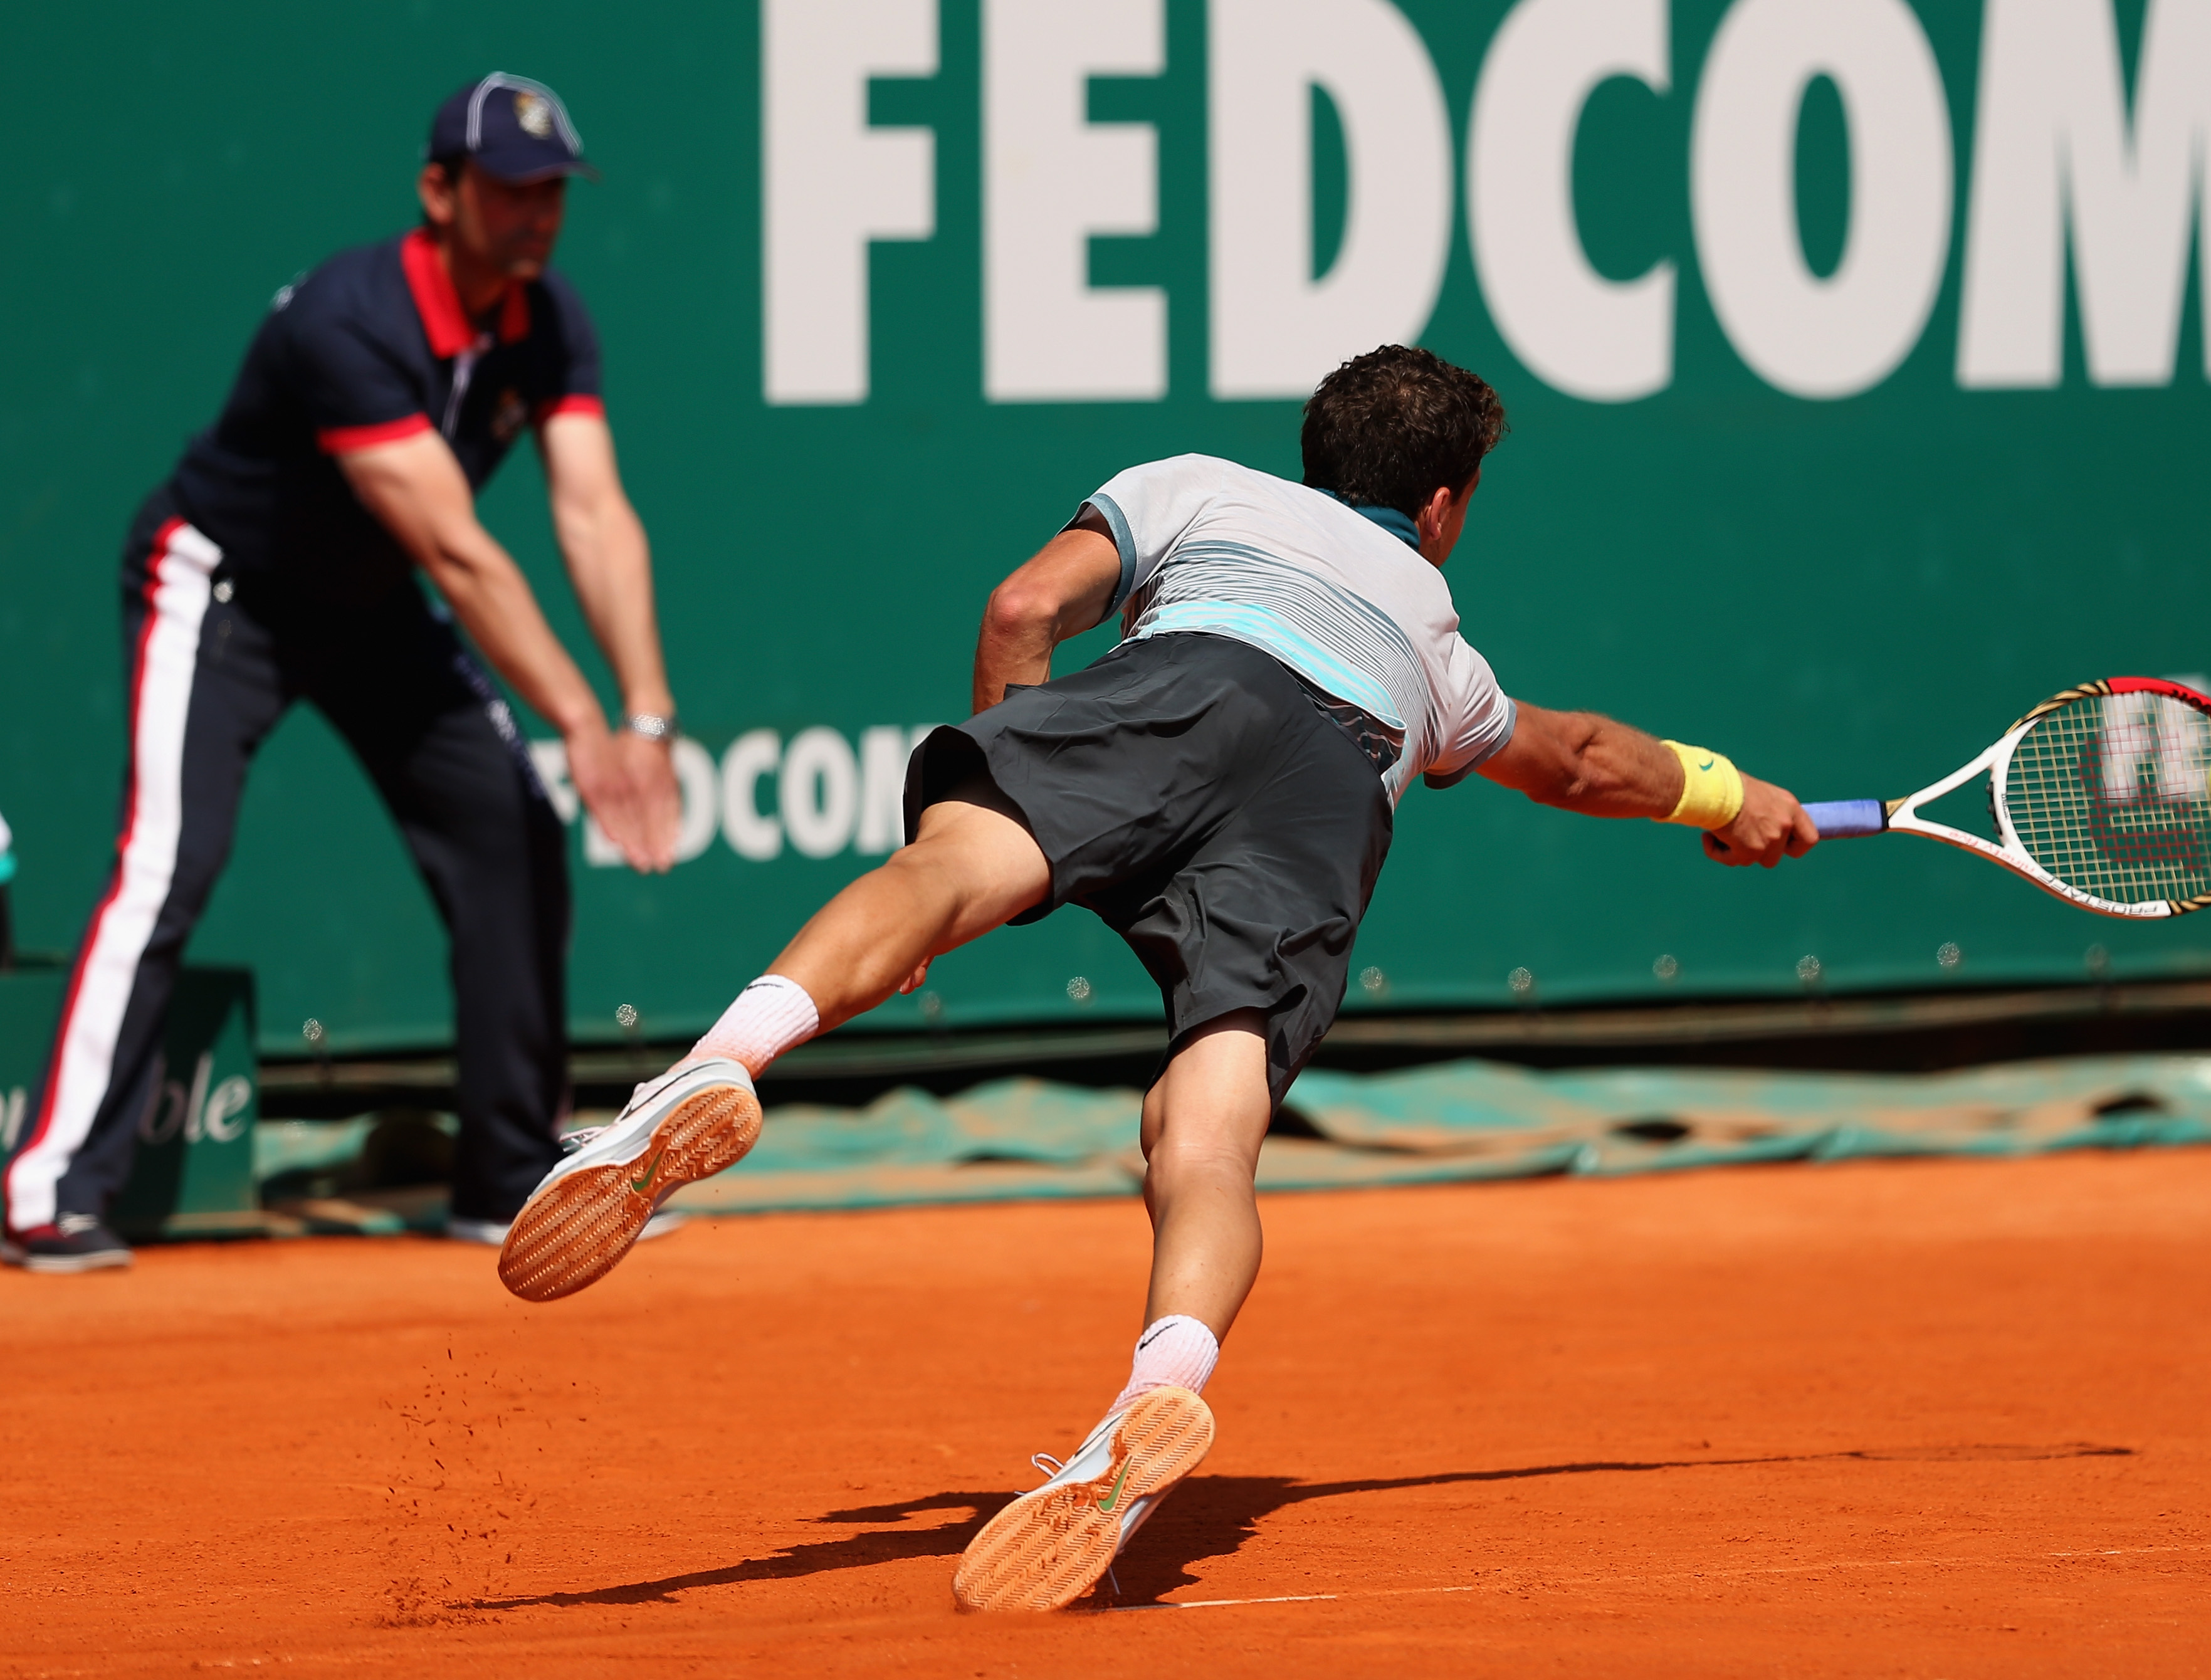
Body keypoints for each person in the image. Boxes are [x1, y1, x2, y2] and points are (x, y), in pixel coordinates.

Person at [493, 346, 1820, 1608]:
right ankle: (1150, 1396)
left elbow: (1021, 606)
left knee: (942, 875)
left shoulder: (1197, 487)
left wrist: (964, 862)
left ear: (1314, 456)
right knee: (1206, 1140)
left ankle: (717, 1064)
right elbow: (1581, 754)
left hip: (1178, 685)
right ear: (1439, 506)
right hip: (1325, 789)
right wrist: (1727, 792)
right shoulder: (1440, 651)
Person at [1, 75, 681, 1275]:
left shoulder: (548, 317)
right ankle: (50, 1183)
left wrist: (641, 712)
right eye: (512, 190)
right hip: (220, 588)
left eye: (554, 194)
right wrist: (574, 717)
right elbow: (460, 553)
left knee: (512, 827)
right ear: (440, 190)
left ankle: (507, 1175)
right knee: (168, 865)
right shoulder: (347, 320)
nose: (537, 216)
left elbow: (594, 513)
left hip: (367, 604)